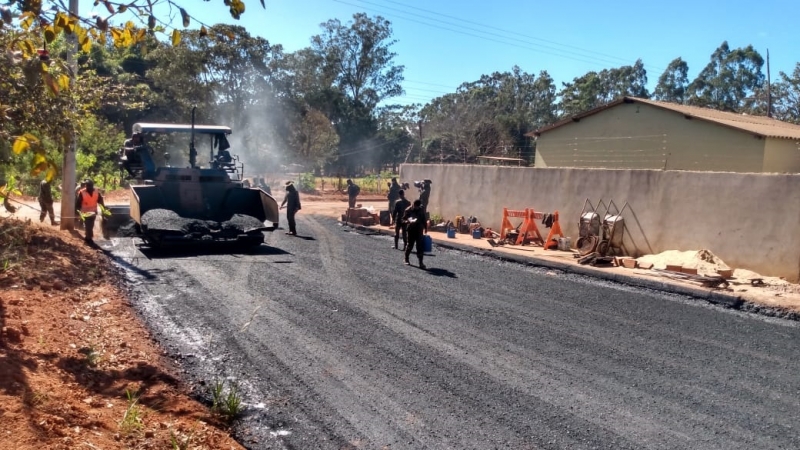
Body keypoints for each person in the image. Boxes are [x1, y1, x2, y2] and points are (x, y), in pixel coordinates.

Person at [402, 199, 428, 269]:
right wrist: (408, 221)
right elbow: (403, 219)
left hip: (419, 230)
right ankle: (406, 259)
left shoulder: (421, 209)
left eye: (418, 207)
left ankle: (421, 263)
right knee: (410, 245)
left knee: (420, 246)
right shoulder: (408, 210)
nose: (417, 208)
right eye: (416, 206)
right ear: (413, 204)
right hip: (411, 230)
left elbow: (423, 218)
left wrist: (425, 227)